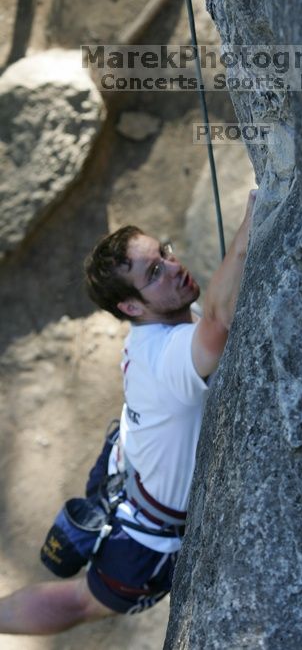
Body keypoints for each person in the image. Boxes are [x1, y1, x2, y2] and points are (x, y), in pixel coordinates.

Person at [0, 189, 256, 635]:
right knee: (83, 601)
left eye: (166, 253)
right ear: (131, 308)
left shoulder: (161, 322)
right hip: (144, 533)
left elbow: (209, 312)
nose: (175, 267)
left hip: (124, 469)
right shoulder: (163, 356)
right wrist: (256, 212)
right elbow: (218, 322)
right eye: (155, 271)